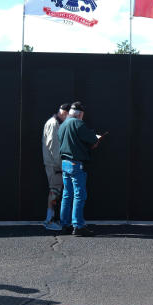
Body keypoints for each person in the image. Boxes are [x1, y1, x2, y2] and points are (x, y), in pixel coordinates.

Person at [57, 101, 101, 237]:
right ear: (80, 114)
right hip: (76, 163)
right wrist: (96, 138)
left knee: (67, 195)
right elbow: (92, 140)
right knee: (79, 195)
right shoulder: (78, 123)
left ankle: (65, 225)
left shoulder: (63, 125)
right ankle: (78, 226)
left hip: (64, 163)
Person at [41, 103, 71, 231]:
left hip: (54, 163)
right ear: (65, 113)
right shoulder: (53, 124)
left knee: (56, 191)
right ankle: (49, 220)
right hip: (54, 165)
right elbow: (54, 148)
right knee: (54, 191)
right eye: (69, 116)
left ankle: (52, 218)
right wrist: (61, 165)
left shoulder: (56, 123)